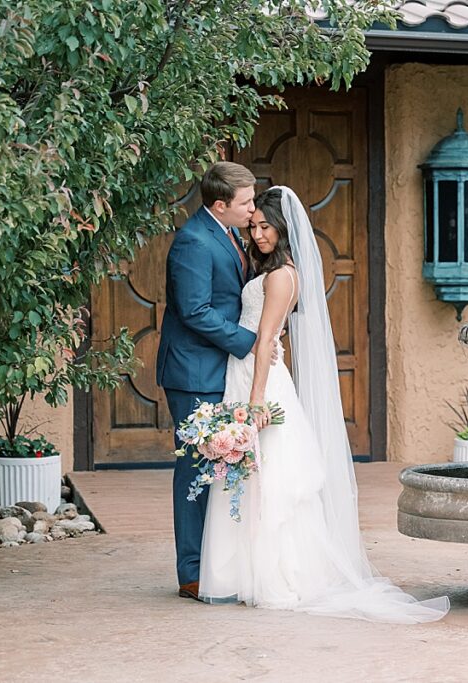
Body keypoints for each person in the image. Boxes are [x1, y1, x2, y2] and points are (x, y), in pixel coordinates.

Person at [197, 187, 449, 623]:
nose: (257, 234)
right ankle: (240, 574)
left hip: (260, 381)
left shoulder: (281, 275)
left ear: (284, 229)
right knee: (248, 475)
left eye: (265, 227)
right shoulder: (276, 270)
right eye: (254, 226)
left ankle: (276, 575)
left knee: (268, 477)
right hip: (246, 372)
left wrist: (255, 401)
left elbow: (266, 339)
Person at [156, 162, 259, 600]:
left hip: (219, 369)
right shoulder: (193, 242)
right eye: (247, 202)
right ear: (221, 205)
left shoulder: (230, 234)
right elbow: (195, 311)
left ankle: (220, 565)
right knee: (196, 470)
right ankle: (192, 573)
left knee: (221, 467)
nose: (253, 210)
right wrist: (249, 342)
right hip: (193, 373)